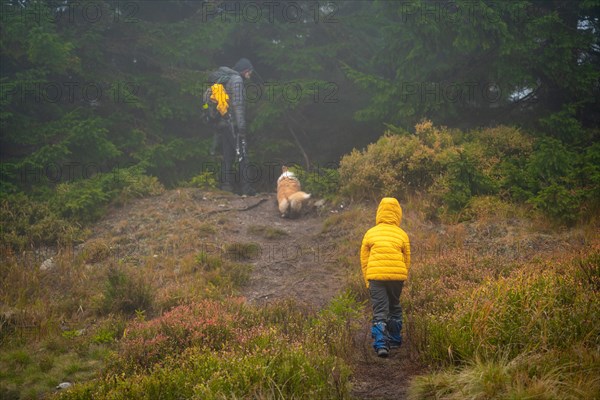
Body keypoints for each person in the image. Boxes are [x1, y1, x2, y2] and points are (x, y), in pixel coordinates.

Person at [360, 197, 411, 358]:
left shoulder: (370, 233)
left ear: (379, 212)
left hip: (376, 278)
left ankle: (381, 344)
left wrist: (367, 280)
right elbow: (407, 259)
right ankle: (395, 340)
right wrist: (402, 275)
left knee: (380, 309)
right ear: (398, 213)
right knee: (394, 306)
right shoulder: (402, 234)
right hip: (397, 278)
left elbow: (364, 260)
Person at [206, 58, 256, 196]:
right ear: (245, 70)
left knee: (228, 156)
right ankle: (247, 189)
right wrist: (241, 127)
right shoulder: (237, 81)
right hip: (233, 124)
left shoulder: (226, 80)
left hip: (223, 124)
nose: (250, 74)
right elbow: (237, 105)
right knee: (243, 156)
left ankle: (226, 186)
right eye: (250, 71)